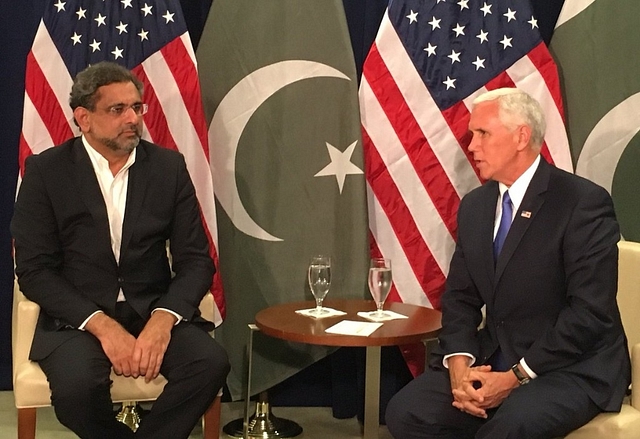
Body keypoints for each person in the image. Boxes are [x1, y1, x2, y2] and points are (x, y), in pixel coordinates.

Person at [385, 88, 631, 438]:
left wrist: (515, 376)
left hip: (568, 367)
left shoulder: (582, 203)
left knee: (508, 428)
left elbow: (589, 313)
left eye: (482, 133)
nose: (472, 146)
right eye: (472, 135)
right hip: (495, 356)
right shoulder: (476, 206)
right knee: (407, 412)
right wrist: (459, 365)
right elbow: (460, 298)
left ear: (521, 137)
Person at [11, 61, 230, 439]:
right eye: (118, 110)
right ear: (84, 118)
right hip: (77, 318)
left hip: (151, 307)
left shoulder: (167, 168)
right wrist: (103, 327)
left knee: (210, 364)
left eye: (137, 107)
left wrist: (162, 322)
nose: (133, 118)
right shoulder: (47, 172)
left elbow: (195, 261)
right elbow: (34, 269)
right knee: (78, 389)